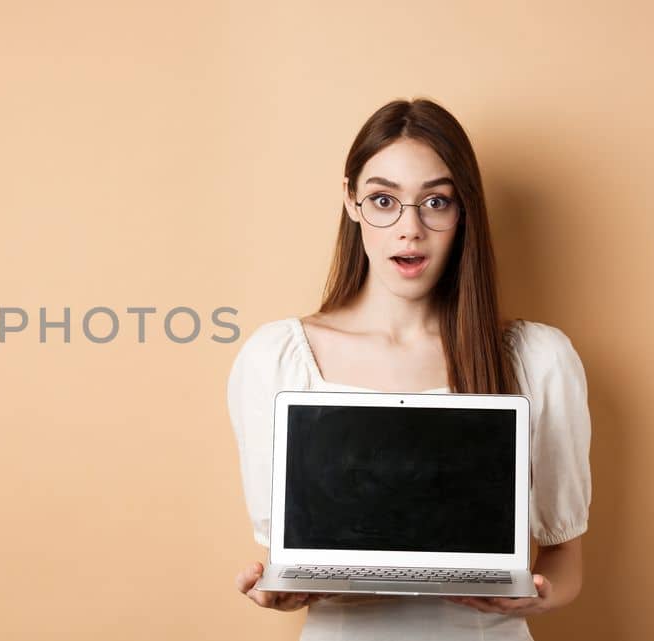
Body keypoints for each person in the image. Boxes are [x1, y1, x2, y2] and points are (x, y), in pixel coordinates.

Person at [226, 98, 592, 640]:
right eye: (383, 200)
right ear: (351, 201)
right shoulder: (275, 357)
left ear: (463, 209)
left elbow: (565, 559)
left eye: (436, 202)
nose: (410, 229)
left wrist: (531, 600)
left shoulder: (537, 357)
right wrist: (282, 591)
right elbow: (284, 551)